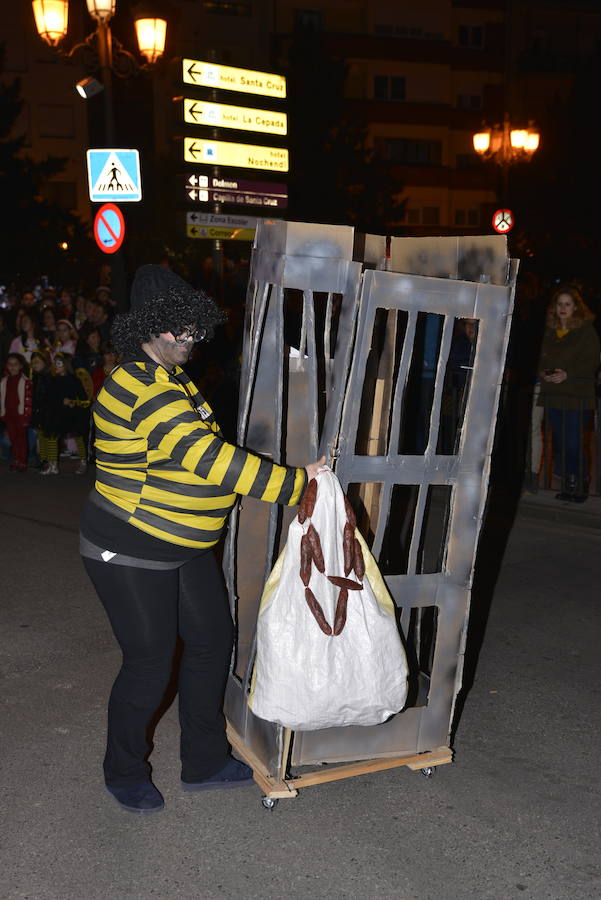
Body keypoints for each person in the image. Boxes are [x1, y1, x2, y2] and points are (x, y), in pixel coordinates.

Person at [79, 264, 325, 815]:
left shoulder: (175, 379)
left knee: (212, 640)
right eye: (182, 329)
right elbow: (209, 458)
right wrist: (297, 484)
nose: (193, 339)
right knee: (149, 661)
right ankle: (122, 771)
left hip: (183, 545)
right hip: (131, 547)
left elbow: (199, 453)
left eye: (193, 327)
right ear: (154, 327)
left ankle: (205, 759)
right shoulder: (138, 385)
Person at [538, 285, 600, 502]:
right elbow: (541, 358)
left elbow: (592, 361)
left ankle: (579, 483)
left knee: (574, 443)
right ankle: (568, 484)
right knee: (560, 443)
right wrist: (543, 372)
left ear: (576, 307)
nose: (563, 308)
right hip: (554, 393)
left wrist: (568, 374)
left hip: (576, 395)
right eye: (560, 304)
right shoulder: (549, 330)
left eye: (567, 304)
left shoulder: (585, 330)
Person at [39, 352, 89, 475]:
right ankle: (53, 464)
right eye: (55, 363)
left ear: (66, 365)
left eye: (59, 363)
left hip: (72, 413)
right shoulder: (52, 380)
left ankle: (83, 461)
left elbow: (83, 398)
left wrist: (73, 402)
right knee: (52, 436)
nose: (56, 366)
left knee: (79, 436)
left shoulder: (74, 380)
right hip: (56, 413)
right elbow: (48, 397)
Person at [0, 353, 32, 471]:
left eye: (15, 364)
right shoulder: (4, 381)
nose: (12, 367)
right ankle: (16, 459)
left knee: (21, 438)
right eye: (10, 364)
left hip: (20, 414)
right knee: (13, 438)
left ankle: (22, 461)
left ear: (20, 366)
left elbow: (28, 400)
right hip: (9, 414)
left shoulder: (25, 381)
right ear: (6, 366)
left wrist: (26, 416)